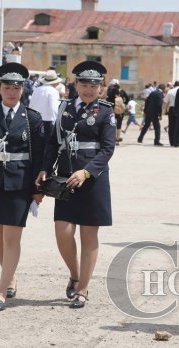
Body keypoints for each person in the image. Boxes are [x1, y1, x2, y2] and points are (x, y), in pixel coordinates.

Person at [35, 60, 116, 309]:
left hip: (93, 179)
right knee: (63, 232)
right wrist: (44, 168)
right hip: (66, 177)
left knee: (88, 235)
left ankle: (83, 289)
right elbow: (52, 142)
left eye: (94, 85)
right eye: (84, 84)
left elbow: (107, 148)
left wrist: (87, 172)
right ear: (75, 84)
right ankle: (75, 273)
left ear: (101, 88)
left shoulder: (105, 111)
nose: (89, 90)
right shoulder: (64, 108)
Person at [0, 62, 44, 312]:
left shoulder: (31, 118)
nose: (12, 92)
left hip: (20, 183)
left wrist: (38, 189)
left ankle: (1, 291)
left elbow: (39, 156)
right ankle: (10, 277)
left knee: (12, 237)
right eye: (7, 87)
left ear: (23, 89)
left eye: (17, 87)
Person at [28, 69, 62, 144]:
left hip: (34, 121)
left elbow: (30, 106)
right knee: (47, 147)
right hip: (48, 123)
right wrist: (56, 124)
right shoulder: (53, 91)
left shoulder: (36, 90)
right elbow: (54, 109)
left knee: (36, 146)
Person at [163, 81, 179, 146]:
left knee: (171, 126)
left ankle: (172, 142)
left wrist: (164, 111)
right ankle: (178, 142)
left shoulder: (170, 91)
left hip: (172, 109)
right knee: (178, 126)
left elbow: (165, 102)